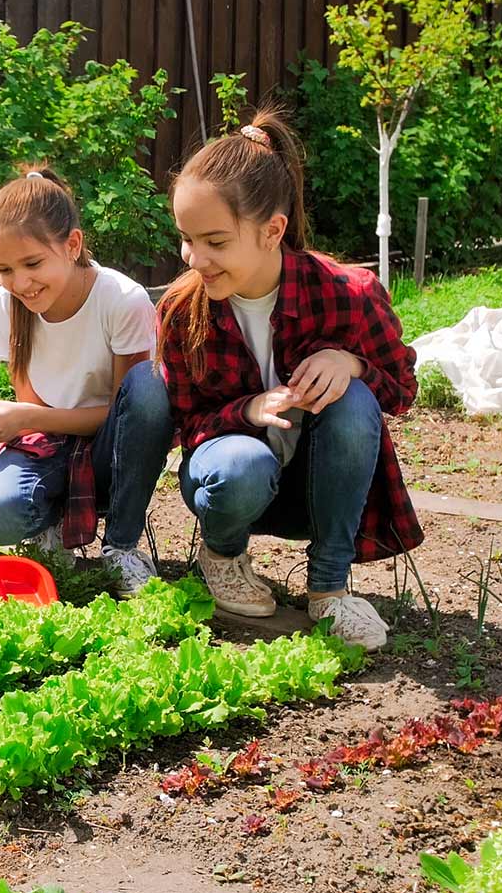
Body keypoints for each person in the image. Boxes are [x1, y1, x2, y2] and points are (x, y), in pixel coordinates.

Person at [157, 108, 422, 650]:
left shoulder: (348, 294)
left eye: (215, 241)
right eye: (186, 239)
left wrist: (351, 364)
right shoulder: (182, 310)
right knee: (241, 464)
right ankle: (223, 557)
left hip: (318, 491)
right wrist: (249, 410)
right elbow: (186, 425)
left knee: (353, 401)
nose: (195, 259)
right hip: (233, 485)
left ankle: (329, 589)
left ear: (272, 230)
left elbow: (401, 389)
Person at [0, 166, 172, 592]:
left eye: (33, 263)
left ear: (72, 245)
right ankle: (47, 527)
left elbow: (128, 414)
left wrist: (23, 417)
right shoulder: (5, 305)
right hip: (50, 443)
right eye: (4, 269)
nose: (20, 283)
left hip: (116, 450)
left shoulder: (121, 300)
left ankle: (122, 547)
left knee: (151, 385)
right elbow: (32, 411)